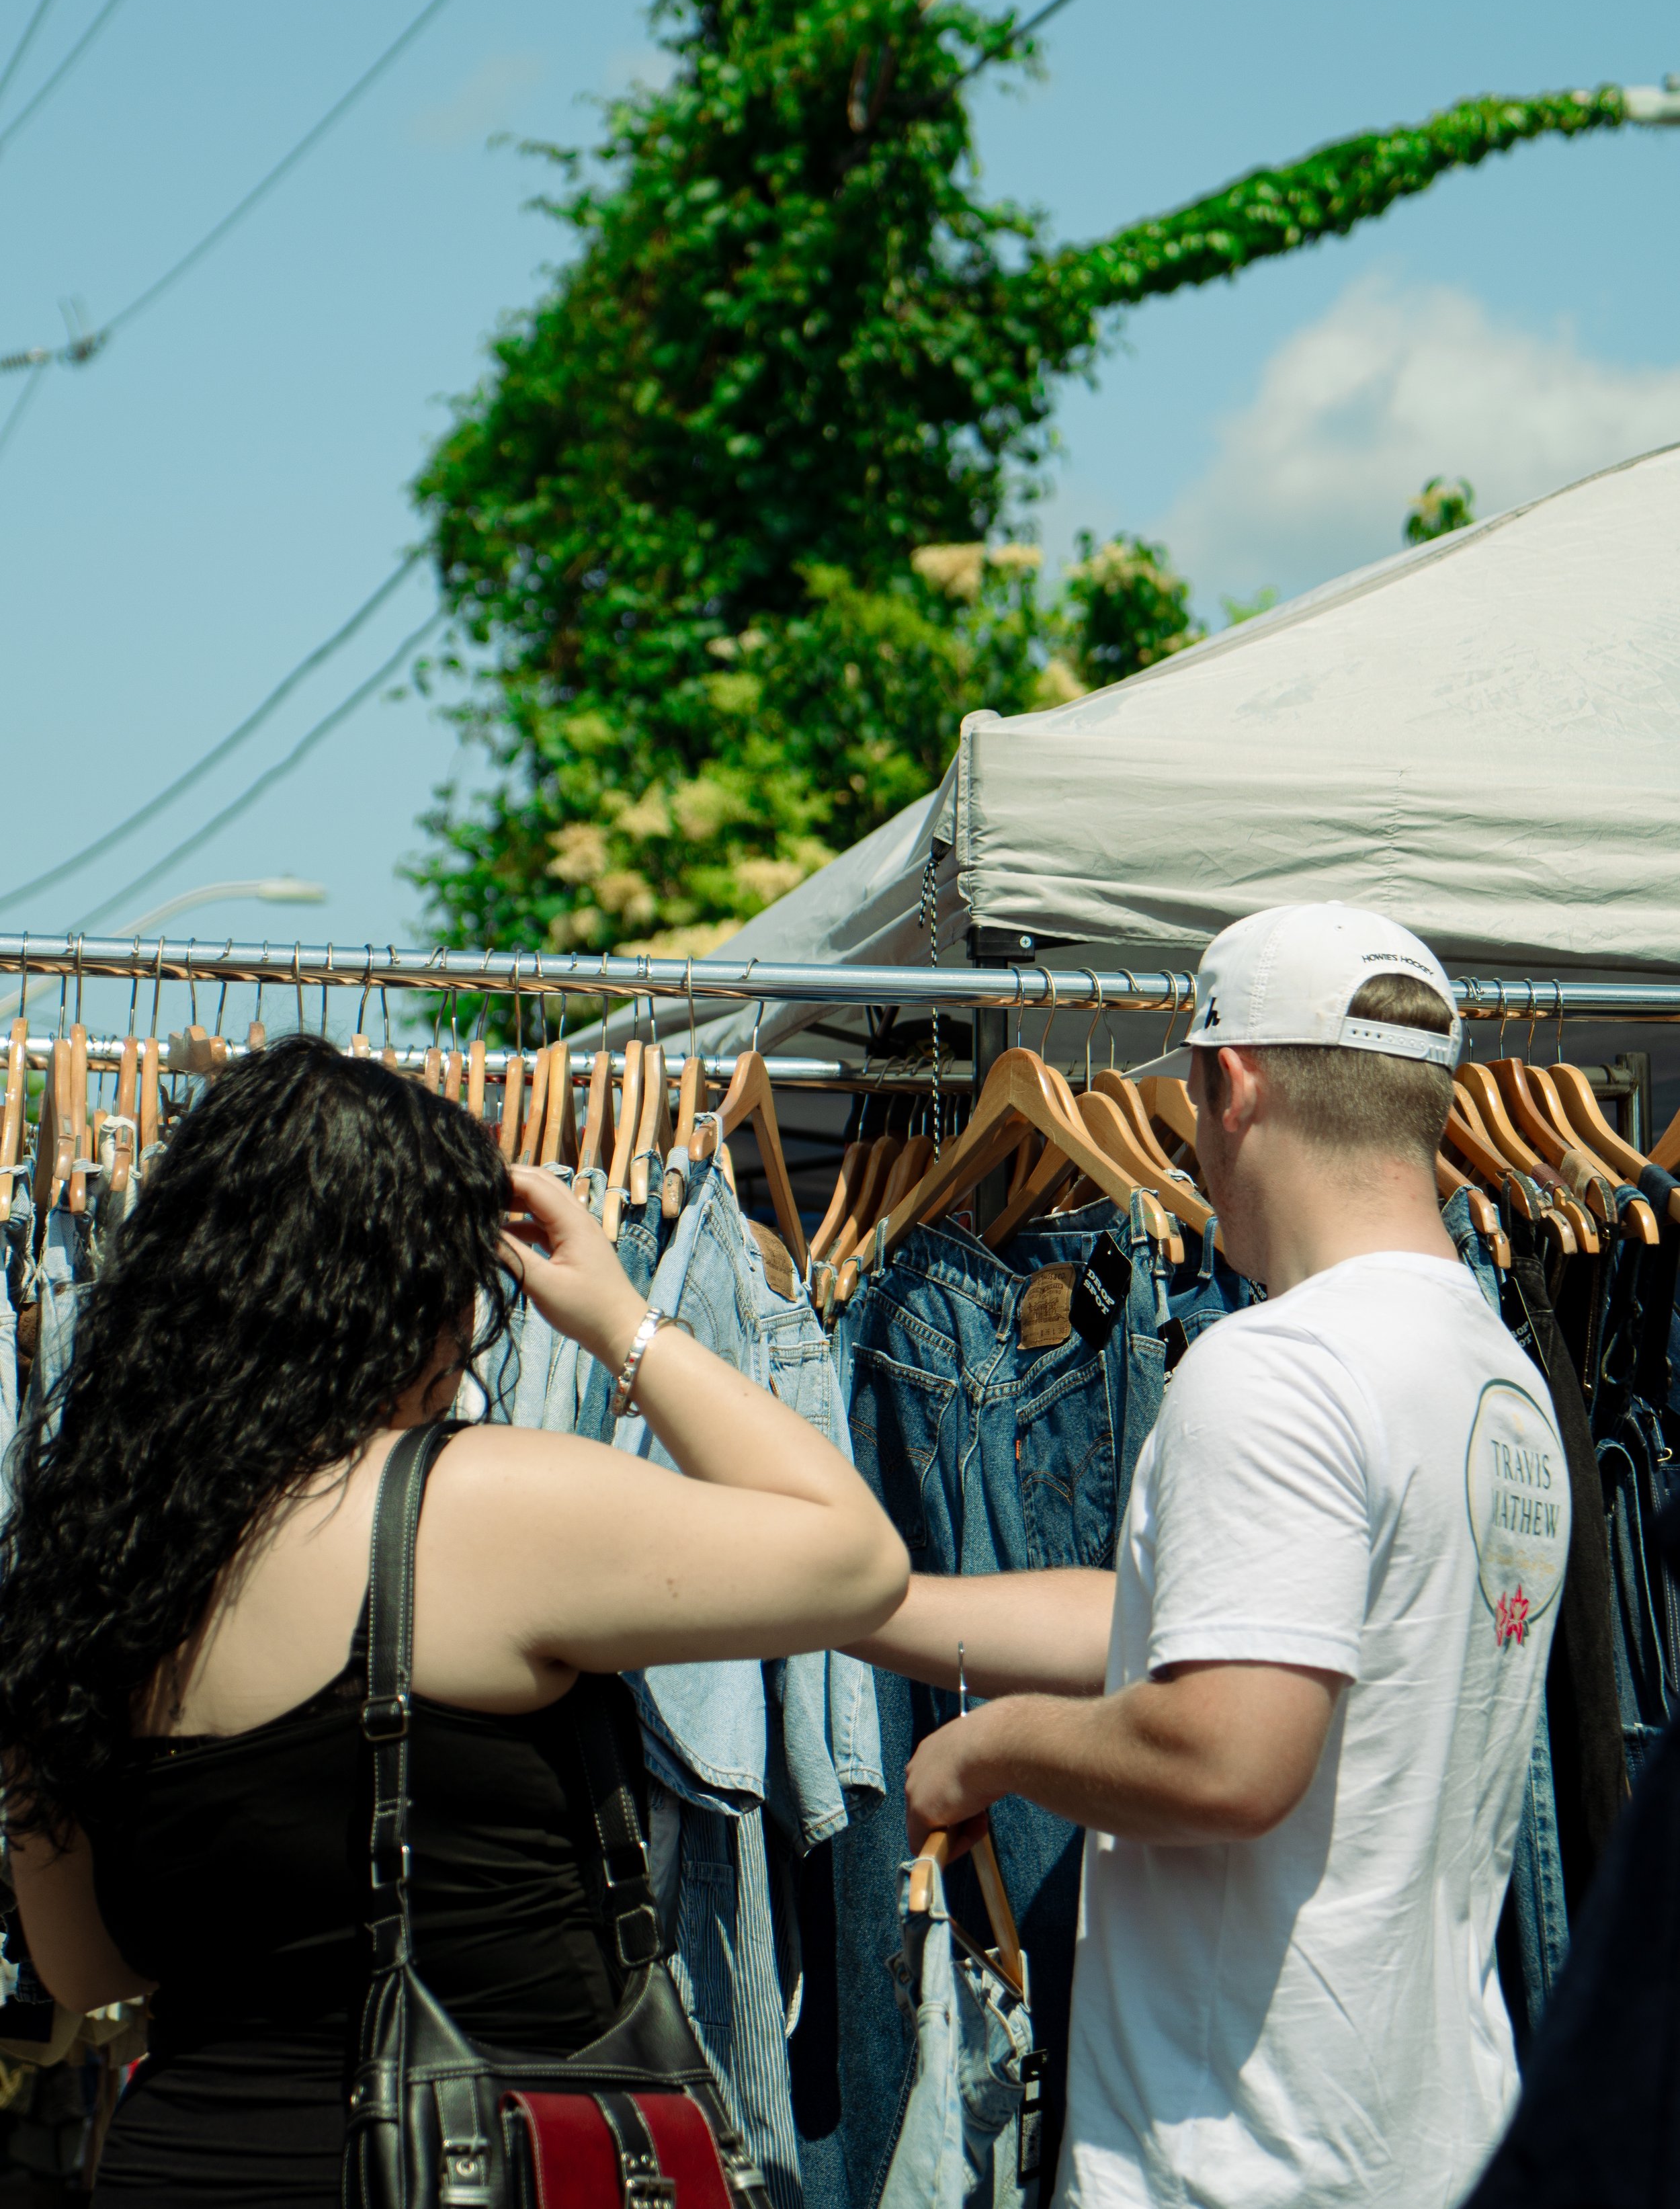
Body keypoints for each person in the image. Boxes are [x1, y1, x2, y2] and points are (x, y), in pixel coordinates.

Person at [0, 1034, 908, 2204]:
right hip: (473, 2159)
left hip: (185, 2162)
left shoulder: (84, 1571)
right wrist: (622, 1322)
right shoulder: (464, 1506)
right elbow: (858, 1559)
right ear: (412, 1291)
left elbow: (81, 1968)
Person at [851, 903, 1571, 2209]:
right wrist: (866, 1605)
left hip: (1238, 2160)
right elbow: (1204, 1617)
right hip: (1423, 2142)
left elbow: (1228, 1753)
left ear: (1227, 1083)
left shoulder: (1277, 1369)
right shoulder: (1491, 1377)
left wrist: (983, 1748)